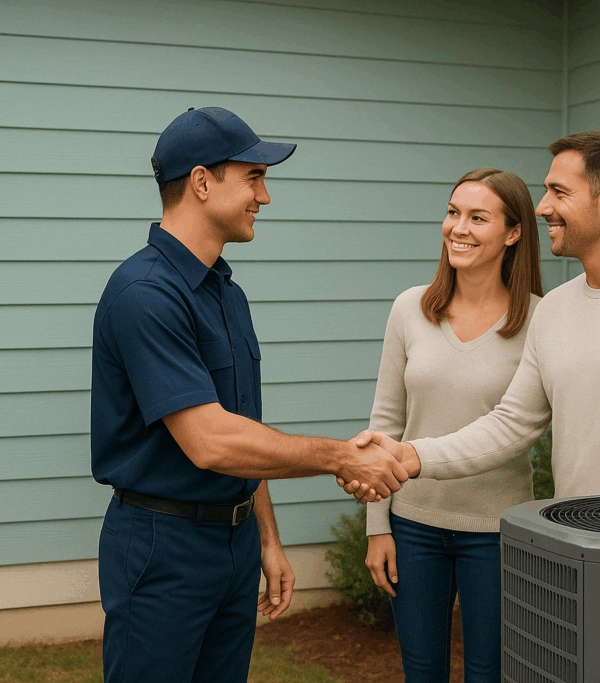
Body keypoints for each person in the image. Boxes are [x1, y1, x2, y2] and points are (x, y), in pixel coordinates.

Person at [90, 106, 408, 683]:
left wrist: (266, 538)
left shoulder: (224, 292)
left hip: (232, 542)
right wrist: (340, 456)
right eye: (254, 177)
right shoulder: (144, 294)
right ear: (202, 182)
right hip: (164, 547)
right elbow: (211, 442)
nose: (265, 196)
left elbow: (242, 429)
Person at [345, 130, 600, 502]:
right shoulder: (554, 309)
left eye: (559, 192)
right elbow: (512, 424)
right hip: (576, 546)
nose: (543, 208)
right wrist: (413, 455)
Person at [364, 168, 543, 683]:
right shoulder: (410, 309)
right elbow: (386, 422)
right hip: (413, 526)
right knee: (422, 673)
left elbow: (521, 426)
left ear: (513, 233)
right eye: (452, 212)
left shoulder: (540, 319)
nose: (457, 228)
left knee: (490, 674)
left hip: (498, 531)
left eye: (477, 217)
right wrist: (379, 527)